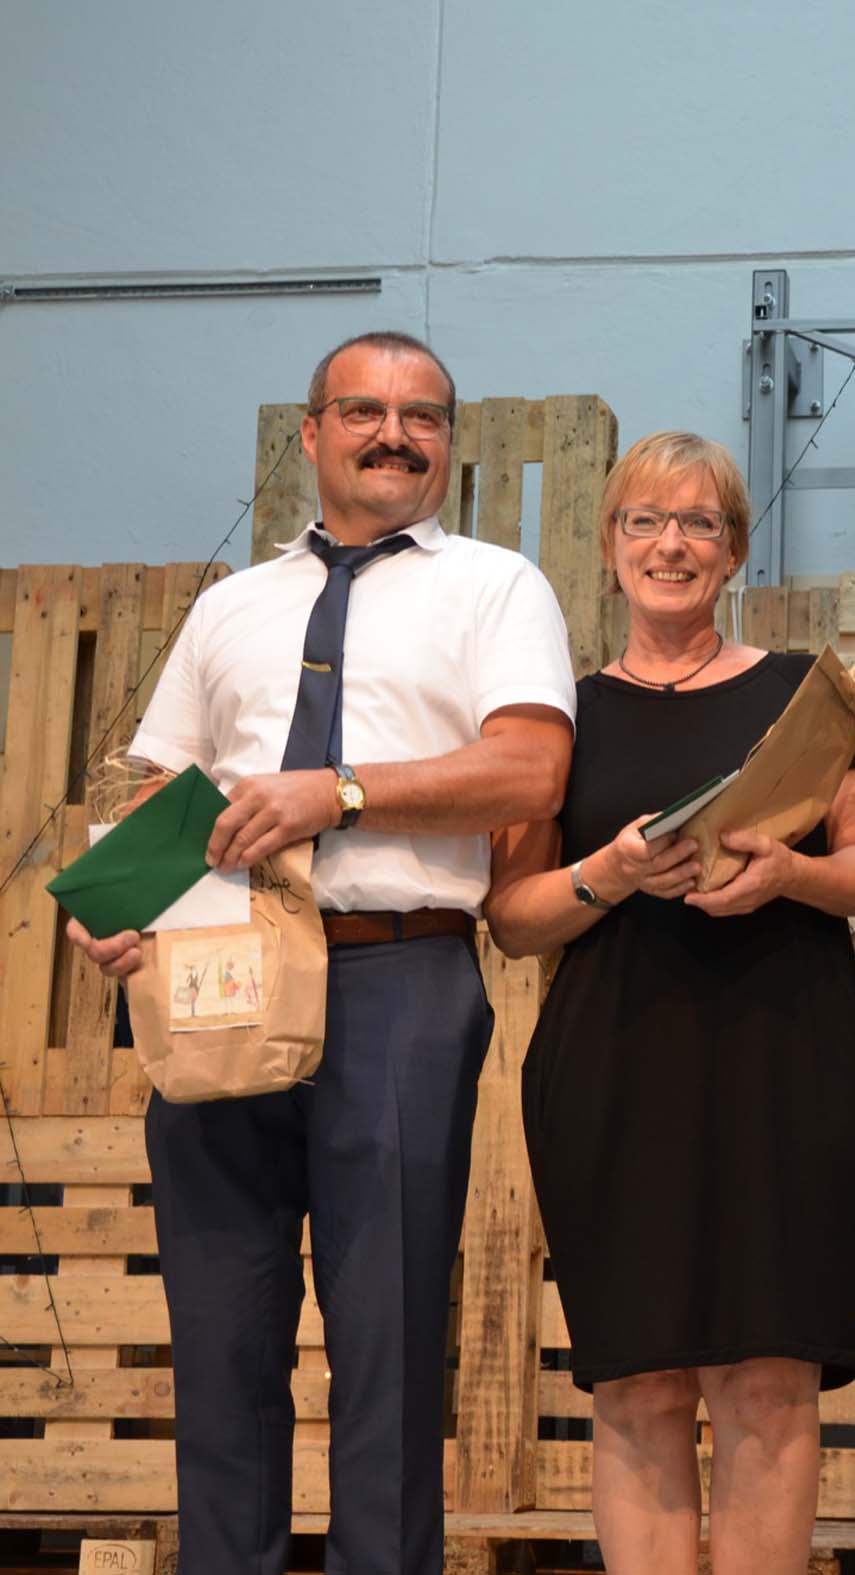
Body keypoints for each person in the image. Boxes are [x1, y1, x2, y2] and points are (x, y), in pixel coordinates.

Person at [65, 330, 577, 1575]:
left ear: (447, 442)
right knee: (220, 1338)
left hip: (399, 977)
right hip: (218, 975)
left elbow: (529, 769)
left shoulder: (497, 588)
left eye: (422, 416)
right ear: (310, 434)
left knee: (386, 1340)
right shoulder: (231, 607)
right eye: (363, 411)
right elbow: (161, 788)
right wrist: (112, 905)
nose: (393, 434)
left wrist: (338, 792)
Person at [483, 431, 855, 1575]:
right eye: (645, 521)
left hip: (788, 1065)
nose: (671, 544)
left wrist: (790, 875)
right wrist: (608, 873)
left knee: (768, 1384)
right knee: (639, 1385)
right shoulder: (557, 720)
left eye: (698, 523)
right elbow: (513, 917)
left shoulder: (807, 699)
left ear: (733, 550)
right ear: (609, 547)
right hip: (615, 1073)